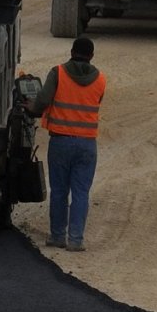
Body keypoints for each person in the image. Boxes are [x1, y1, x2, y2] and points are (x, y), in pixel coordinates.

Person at [28, 37, 106, 251]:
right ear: (91, 56)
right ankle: (76, 239)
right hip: (87, 145)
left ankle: (57, 236)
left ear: (72, 51)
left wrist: (31, 107)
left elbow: (43, 101)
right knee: (81, 192)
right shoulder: (100, 79)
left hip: (61, 142)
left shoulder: (58, 73)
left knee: (60, 191)